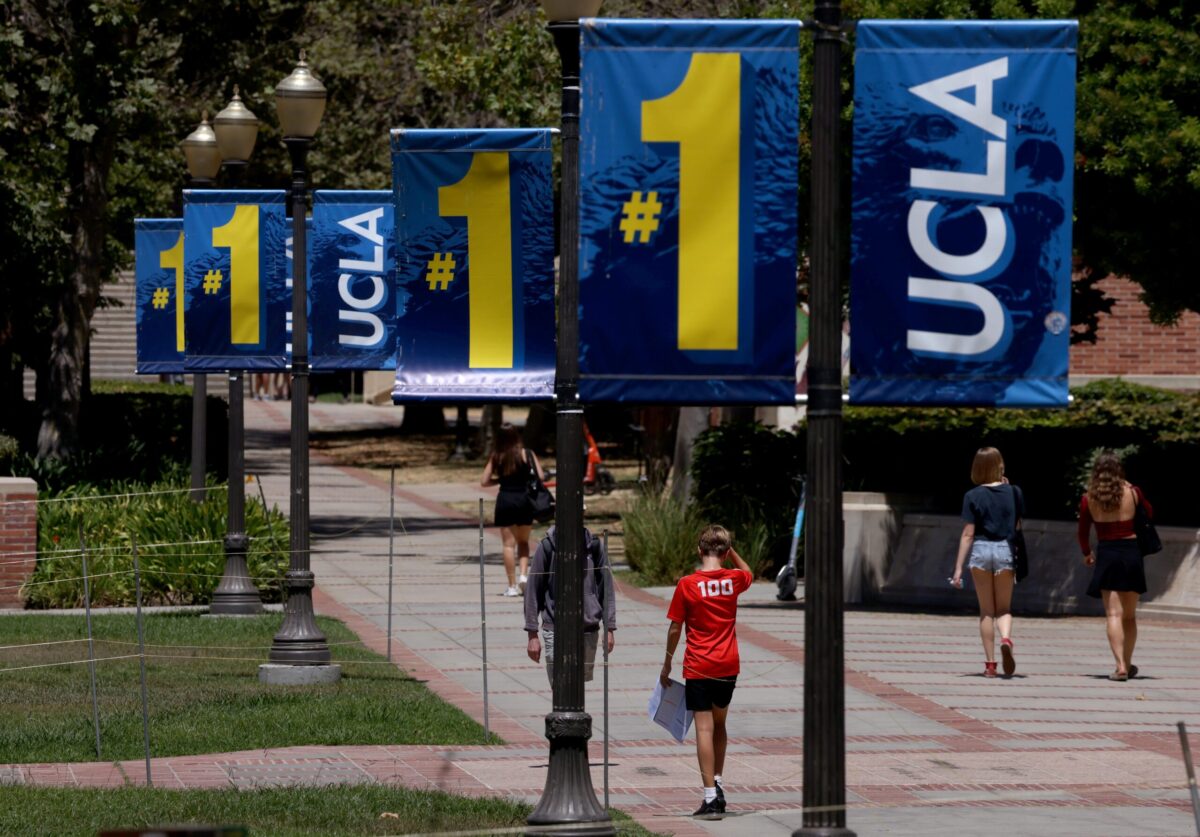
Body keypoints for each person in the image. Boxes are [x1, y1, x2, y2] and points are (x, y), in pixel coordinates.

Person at [660, 525, 753, 818]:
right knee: (720, 724)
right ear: (725, 553)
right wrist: (729, 552)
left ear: (699, 551)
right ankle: (720, 782)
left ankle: (710, 795)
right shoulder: (733, 579)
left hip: (699, 665)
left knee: (703, 728)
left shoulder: (687, 584)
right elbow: (748, 572)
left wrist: (667, 661)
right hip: (728, 664)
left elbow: (676, 627)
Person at [1078, 452, 1151, 681]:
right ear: (1119, 469)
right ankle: (1127, 664)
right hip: (1131, 553)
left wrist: (1087, 553)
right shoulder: (1133, 492)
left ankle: (1119, 665)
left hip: (1107, 553)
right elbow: (1149, 513)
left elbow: (1082, 531)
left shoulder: (1088, 497)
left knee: (1113, 614)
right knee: (1129, 616)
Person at [951, 447, 1024, 678]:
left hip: (981, 551)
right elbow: (1018, 527)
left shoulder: (972, 496)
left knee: (986, 612)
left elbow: (968, 534)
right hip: (1004, 550)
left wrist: (958, 569)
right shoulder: (1014, 492)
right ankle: (1006, 639)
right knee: (1004, 609)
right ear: (999, 465)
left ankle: (990, 665)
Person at [524, 525, 616, 684]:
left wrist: (609, 627)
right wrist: (532, 634)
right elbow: (532, 590)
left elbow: (606, 589)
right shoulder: (547, 546)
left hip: (588, 629)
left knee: (578, 688)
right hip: (556, 629)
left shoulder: (594, 545)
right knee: (560, 686)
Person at [481, 423, 542, 597]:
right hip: (525, 500)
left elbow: (484, 481)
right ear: (517, 436)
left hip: (506, 500)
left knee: (508, 545)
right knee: (524, 542)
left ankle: (512, 585)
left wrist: (500, 481)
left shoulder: (497, 457)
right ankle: (523, 575)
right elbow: (541, 476)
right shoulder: (527, 454)